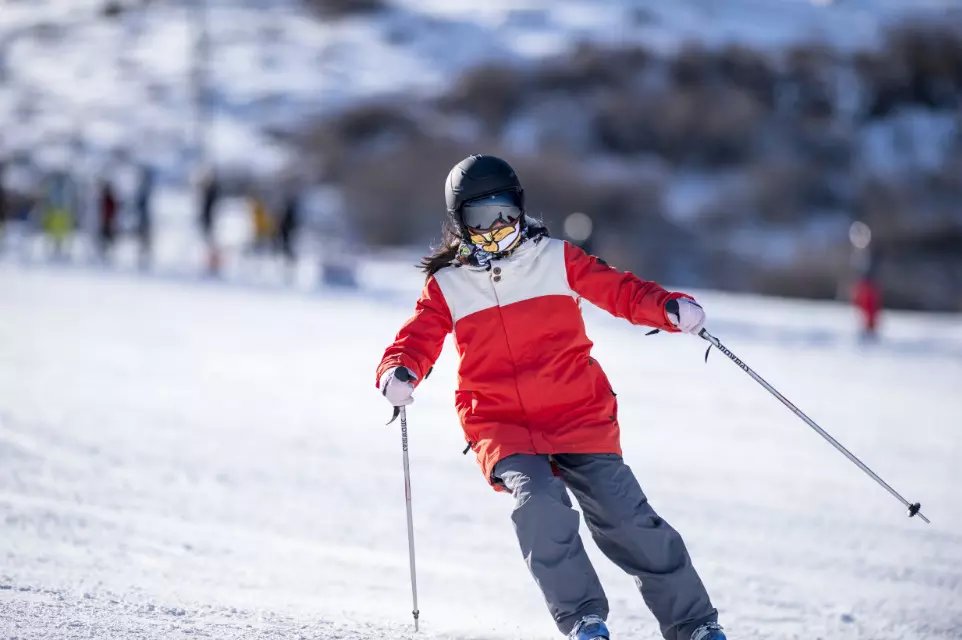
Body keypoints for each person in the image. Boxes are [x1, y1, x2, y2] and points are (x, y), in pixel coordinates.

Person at [375, 155, 726, 640]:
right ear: (461, 225)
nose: (496, 227)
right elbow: (418, 336)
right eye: (481, 218)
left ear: (520, 208)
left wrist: (666, 308)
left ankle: (695, 626)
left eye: (504, 212)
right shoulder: (449, 285)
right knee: (539, 504)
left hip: (578, 413)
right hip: (502, 424)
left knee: (627, 519)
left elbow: (620, 291)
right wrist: (401, 370)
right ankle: (584, 618)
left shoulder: (556, 259)